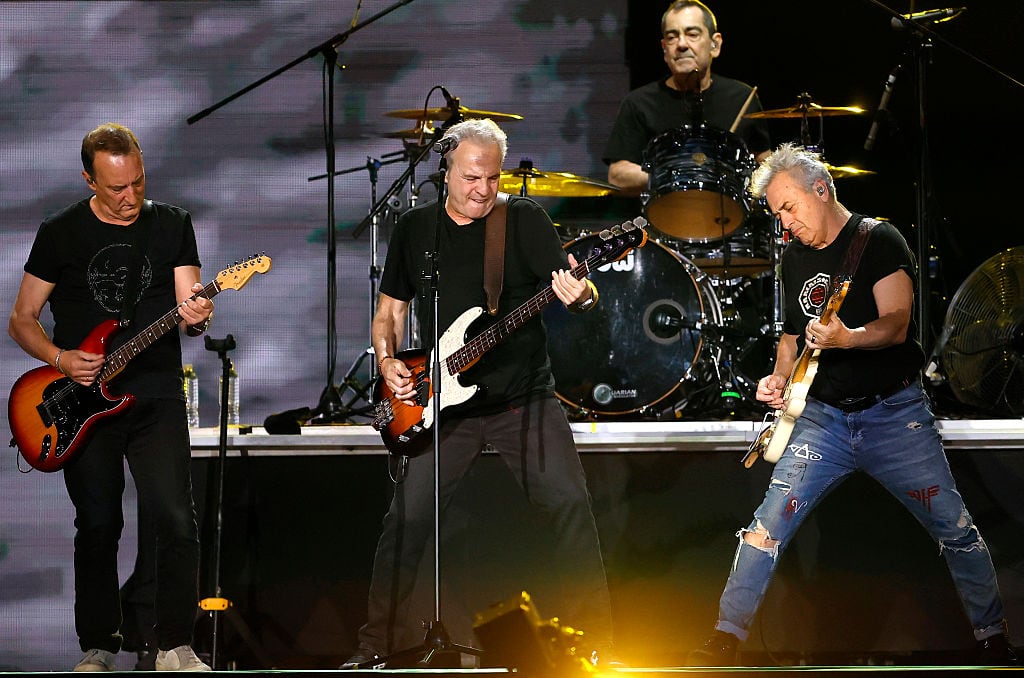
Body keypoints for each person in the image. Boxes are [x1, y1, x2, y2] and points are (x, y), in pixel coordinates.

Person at [687, 143, 1017, 666]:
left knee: (954, 527)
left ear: (822, 190)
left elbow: (897, 323)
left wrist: (850, 338)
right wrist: (776, 379)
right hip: (822, 421)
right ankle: (725, 637)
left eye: (789, 208)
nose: (784, 223)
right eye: (776, 214)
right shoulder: (794, 258)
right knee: (765, 526)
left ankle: (993, 638)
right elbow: (792, 339)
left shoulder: (878, 240)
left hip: (895, 416)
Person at [341, 118, 615, 669]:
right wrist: (390, 360)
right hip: (439, 403)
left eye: (491, 178)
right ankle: (374, 650)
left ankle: (599, 650)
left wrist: (580, 296)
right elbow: (388, 314)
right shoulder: (416, 230)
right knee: (407, 519)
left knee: (567, 505)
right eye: (470, 177)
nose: (482, 190)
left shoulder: (525, 222)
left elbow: (581, 290)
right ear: (445, 170)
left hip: (523, 397)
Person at [8, 122, 213, 672]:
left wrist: (196, 314)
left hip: (155, 396)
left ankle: (176, 644)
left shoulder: (171, 224)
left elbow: (189, 302)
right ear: (89, 180)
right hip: (81, 404)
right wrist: (61, 359)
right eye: (117, 188)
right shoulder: (61, 233)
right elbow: (22, 320)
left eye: (138, 183)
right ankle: (98, 645)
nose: (130, 198)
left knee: (175, 519)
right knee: (99, 523)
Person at [603, 0, 771, 196]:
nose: (681, 44)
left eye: (692, 34)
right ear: (664, 48)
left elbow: (765, 166)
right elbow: (617, 175)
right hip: (662, 220)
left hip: (731, 220)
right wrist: (678, 175)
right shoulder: (638, 103)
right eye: (672, 37)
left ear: (715, 45)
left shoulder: (743, 97)